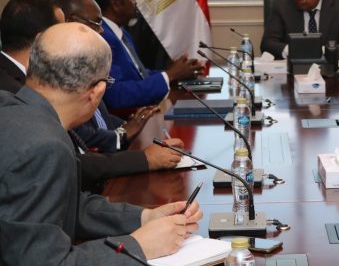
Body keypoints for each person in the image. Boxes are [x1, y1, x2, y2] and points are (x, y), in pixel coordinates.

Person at [0, 22, 203, 264]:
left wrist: (144, 218)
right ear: (97, 91)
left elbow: (66, 205)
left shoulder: (13, 109)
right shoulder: (45, 146)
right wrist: (139, 246)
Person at [0, 0, 185, 192]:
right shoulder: (11, 95)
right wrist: (144, 159)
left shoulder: (37, 77)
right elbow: (70, 163)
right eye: (62, 27)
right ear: (41, 41)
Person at [55, 0, 160, 153]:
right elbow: (78, 132)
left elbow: (100, 118)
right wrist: (121, 135)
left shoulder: (83, 60)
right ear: (71, 22)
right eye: (96, 23)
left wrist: (128, 124)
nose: (102, 30)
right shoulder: (57, 69)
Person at [89, 0, 202, 110]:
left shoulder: (120, 32)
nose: (135, 2)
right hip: (127, 118)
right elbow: (118, 95)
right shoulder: (103, 39)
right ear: (116, 4)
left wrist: (173, 73)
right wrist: (170, 75)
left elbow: (139, 75)